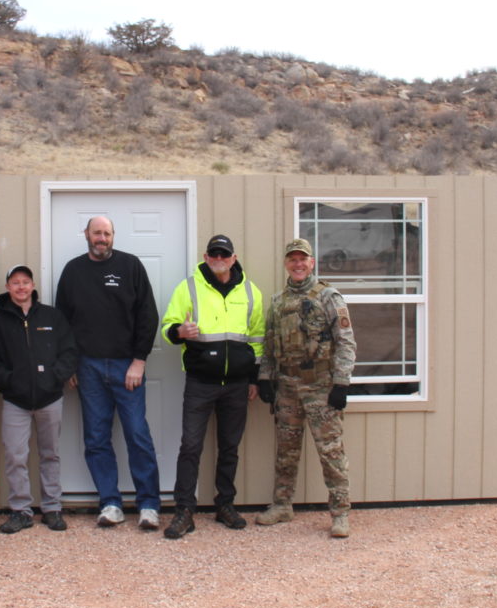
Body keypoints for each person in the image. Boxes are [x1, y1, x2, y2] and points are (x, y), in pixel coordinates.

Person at [54, 216, 161, 530]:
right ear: (86, 234)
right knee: (96, 438)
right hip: (88, 367)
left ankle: (149, 505)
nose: (102, 238)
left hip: (127, 366)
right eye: (97, 233)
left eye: (107, 233)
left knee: (137, 435)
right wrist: (69, 364)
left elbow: (148, 315)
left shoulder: (130, 267)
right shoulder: (73, 271)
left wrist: (139, 360)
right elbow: (62, 322)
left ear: (113, 236)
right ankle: (110, 503)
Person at [158, 234, 265, 539]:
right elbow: (167, 327)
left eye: (225, 254)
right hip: (200, 383)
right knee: (190, 446)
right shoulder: (188, 287)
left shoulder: (251, 291)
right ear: (206, 257)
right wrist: (179, 331)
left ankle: (225, 505)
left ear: (233, 258)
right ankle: (184, 511)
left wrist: (255, 379)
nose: (220, 258)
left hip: (237, 385)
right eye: (214, 254)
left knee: (230, 448)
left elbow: (258, 340)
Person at [255, 238, 357, 538]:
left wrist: (341, 383)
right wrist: (265, 377)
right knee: (286, 450)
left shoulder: (328, 296)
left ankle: (340, 514)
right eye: (292, 260)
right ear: (286, 263)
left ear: (312, 262)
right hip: (287, 386)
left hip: (321, 387)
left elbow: (346, 342)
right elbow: (269, 345)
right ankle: (282, 504)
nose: (298, 264)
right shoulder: (278, 301)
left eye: (303, 259)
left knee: (331, 452)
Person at [0, 264, 78, 534]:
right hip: (16, 401)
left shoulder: (52, 317)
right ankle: (21, 511)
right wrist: (9, 381)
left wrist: (56, 376)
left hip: (50, 399)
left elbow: (69, 351)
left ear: (33, 286)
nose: (21, 287)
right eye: (15, 282)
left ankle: (52, 508)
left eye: (25, 282)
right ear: (8, 287)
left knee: (50, 454)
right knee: (15, 456)